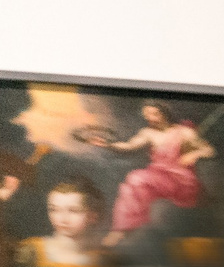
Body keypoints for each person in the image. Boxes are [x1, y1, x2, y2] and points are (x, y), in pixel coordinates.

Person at [83, 102, 211, 244]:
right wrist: (107, 144)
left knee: (136, 178)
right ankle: (124, 229)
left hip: (181, 180)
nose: (150, 118)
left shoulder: (184, 132)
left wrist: (193, 155)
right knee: (132, 184)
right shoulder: (148, 133)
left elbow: (208, 150)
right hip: (158, 176)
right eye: (147, 115)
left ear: (163, 114)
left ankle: (124, 230)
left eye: (154, 114)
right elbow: (128, 146)